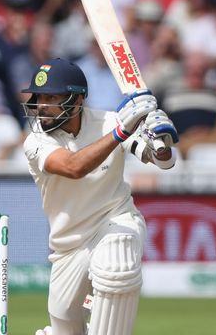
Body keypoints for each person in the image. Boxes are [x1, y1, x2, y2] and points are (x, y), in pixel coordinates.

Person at [21, 58, 178, 335]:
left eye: (51, 97)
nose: (42, 105)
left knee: (116, 261)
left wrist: (160, 139)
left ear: (77, 100)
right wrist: (121, 131)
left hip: (115, 220)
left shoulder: (109, 121)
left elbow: (161, 161)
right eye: (39, 97)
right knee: (65, 327)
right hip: (68, 244)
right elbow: (73, 167)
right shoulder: (36, 140)